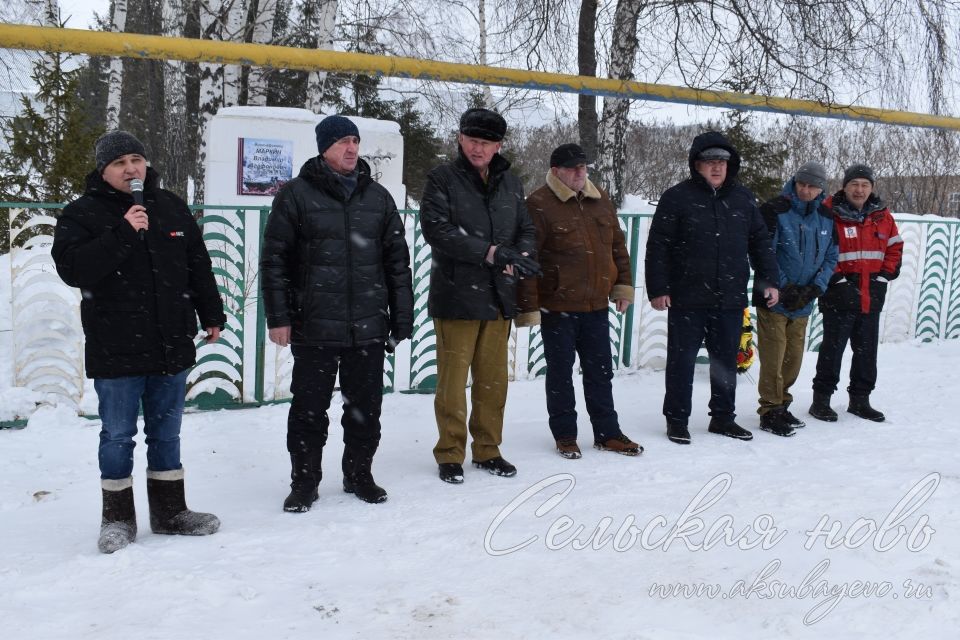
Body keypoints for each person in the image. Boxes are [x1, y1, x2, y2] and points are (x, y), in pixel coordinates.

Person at [52, 130, 226, 554]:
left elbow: (196, 264)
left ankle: (170, 513)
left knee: (167, 433)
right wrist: (123, 232)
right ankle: (117, 519)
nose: (131, 169)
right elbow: (74, 269)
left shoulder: (169, 207)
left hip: (171, 341)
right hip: (117, 346)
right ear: (103, 171)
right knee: (118, 435)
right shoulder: (81, 214)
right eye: (119, 163)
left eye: (136, 159)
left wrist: (211, 312)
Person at [260, 115, 413, 511]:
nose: (351, 149)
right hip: (314, 324)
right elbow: (274, 260)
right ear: (324, 147)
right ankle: (305, 482)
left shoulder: (378, 198)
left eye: (355, 141)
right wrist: (278, 317)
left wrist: (402, 316)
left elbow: (398, 262)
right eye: (343, 141)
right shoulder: (295, 195)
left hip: (367, 326)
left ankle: (359, 474)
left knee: (365, 410)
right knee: (309, 410)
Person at [419, 107, 538, 484]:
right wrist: (490, 253)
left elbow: (526, 227)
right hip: (457, 295)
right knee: (453, 383)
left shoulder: (511, 183)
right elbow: (438, 230)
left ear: (498, 146)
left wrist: (518, 257)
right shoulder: (442, 179)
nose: (478, 148)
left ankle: (488, 449)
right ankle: (450, 452)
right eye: (472, 140)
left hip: (499, 295)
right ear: (459, 139)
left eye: (486, 143)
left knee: (493, 381)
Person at [645, 131, 780, 445]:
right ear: (697, 165)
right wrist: (658, 288)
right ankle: (677, 419)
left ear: (730, 164)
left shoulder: (743, 198)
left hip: (730, 297)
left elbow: (760, 242)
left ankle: (723, 417)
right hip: (687, 296)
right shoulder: (677, 197)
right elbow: (658, 246)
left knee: (724, 361)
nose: (716, 167)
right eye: (709, 162)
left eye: (722, 161)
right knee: (682, 361)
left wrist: (770, 280)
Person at [516, 143, 642, 459]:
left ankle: (607, 433)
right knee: (560, 374)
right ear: (556, 170)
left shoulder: (599, 199)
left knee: (600, 372)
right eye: (572, 168)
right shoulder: (539, 203)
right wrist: (529, 305)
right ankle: (565, 435)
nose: (579, 173)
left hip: (597, 305)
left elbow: (617, 247)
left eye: (582, 167)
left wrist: (623, 287)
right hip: (558, 306)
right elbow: (528, 257)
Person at [809, 164, 903, 423]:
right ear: (845, 186)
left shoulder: (883, 216)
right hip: (838, 291)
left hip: (870, 292)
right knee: (832, 350)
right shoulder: (828, 212)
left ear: (871, 188)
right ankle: (821, 400)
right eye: (854, 184)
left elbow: (895, 247)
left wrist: (883, 277)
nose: (859, 190)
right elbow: (821, 248)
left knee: (866, 351)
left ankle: (860, 400)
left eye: (865, 185)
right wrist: (837, 280)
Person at [753, 162, 838, 437]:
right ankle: (769, 410)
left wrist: (815, 288)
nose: (806, 189)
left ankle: (782, 404)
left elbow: (831, 256)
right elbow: (763, 251)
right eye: (802, 183)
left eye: (812, 185)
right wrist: (783, 286)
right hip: (775, 297)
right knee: (774, 357)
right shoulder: (776, 209)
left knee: (793, 358)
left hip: (804, 300)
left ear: (821, 189)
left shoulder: (827, 216)